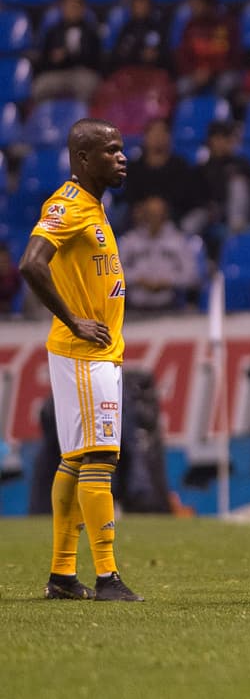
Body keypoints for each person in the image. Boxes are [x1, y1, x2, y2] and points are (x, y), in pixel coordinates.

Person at [19, 117, 142, 602]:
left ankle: (63, 575)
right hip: (85, 351)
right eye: (110, 150)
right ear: (83, 159)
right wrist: (74, 321)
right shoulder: (67, 205)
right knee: (100, 458)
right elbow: (31, 263)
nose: (121, 157)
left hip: (93, 352)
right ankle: (108, 576)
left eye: (121, 148)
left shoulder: (93, 204)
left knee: (74, 460)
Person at [116, 196, 201, 312]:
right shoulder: (129, 241)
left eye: (157, 214)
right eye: (150, 214)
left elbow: (192, 275)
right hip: (134, 308)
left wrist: (168, 281)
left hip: (170, 307)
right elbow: (115, 272)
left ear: (165, 215)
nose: (153, 218)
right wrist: (138, 279)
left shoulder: (178, 241)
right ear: (143, 215)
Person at [32, 0, 102, 104]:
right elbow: (43, 60)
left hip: (82, 73)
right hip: (57, 73)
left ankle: (82, 114)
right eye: (69, 4)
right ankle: (46, 114)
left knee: (88, 86)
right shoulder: (52, 32)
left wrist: (70, 55)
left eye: (76, 4)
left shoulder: (92, 33)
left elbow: (96, 61)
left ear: (83, 8)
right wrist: (53, 59)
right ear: (62, 7)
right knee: (40, 86)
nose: (72, 8)